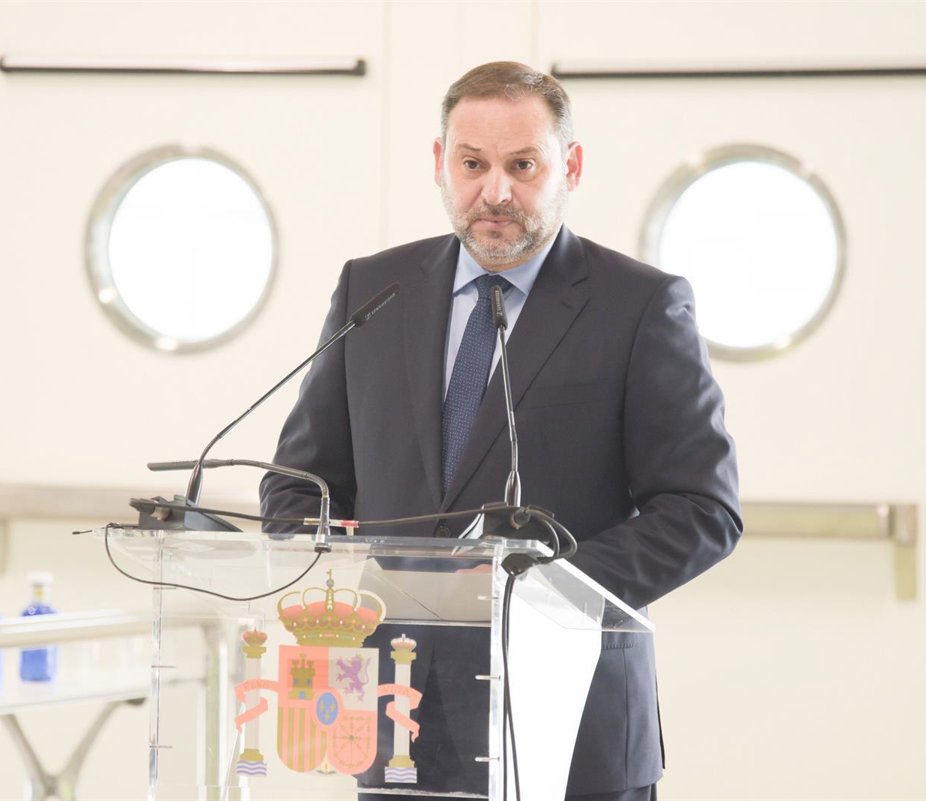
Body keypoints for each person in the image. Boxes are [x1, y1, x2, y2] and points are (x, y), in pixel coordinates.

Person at [260, 61, 741, 801]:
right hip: (398, 719)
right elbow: (300, 483)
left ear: (569, 167)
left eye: (522, 166)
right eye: (472, 164)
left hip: (573, 720)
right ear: (439, 163)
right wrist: (317, 552)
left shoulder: (640, 305)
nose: (495, 192)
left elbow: (703, 509)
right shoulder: (373, 290)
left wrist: (546, 585)